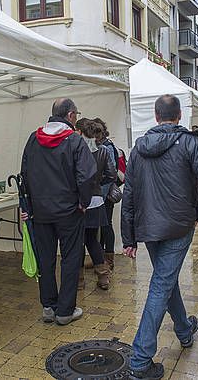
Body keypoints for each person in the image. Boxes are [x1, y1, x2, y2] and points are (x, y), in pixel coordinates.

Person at [122, 95, 198, 380]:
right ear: (179, 116)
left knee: (165, 280)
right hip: (179, 225)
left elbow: (129, 194)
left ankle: (184, 329)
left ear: (156, 117)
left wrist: (128, 237)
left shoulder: (139, 148)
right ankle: (141, 360)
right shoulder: (190, 143)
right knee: (162, 284)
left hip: (150, 228)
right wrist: (197, 213)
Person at [21, 98, 96, 325]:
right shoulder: (74, 141)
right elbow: (87, 175)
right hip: (69, 211)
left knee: (46, 259)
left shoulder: (33, 139)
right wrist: (83, 202)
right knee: (71, 258)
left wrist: (28, 208)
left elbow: (24, 175)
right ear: (71, 115)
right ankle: (65, 311)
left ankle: (48, 306)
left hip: (41, 211)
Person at [75, 119, 115, 290]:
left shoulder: (77, 149)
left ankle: (79, 280)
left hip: (78, 201)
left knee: (77, 241)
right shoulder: (104, 150)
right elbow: (111, 174)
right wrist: (98, 184)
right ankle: (103, 276)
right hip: (97, 200)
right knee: (92, 240)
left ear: (81, 132)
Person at [93, 117, 119, 271]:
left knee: (106, 225)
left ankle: (108, 260)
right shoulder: (103, 145)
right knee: (102, 226)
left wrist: (100, 195)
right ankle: (101, 259)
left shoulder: (106, 147)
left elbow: (111, 173)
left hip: (105, 194)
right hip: (101, 193)